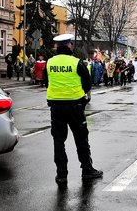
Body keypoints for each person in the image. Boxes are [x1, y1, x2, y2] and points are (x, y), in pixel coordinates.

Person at [44, 33, 103, 185]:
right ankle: (87, 170)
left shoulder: (49, 62)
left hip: (56, 107)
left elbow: (46, 82)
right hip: (75, 106)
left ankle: (61, 175)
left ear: (57, 47)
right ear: (69, 45)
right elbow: (88, 83)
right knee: (81, 139)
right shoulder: (76, 62)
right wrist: (81, 98)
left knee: (58, 141)